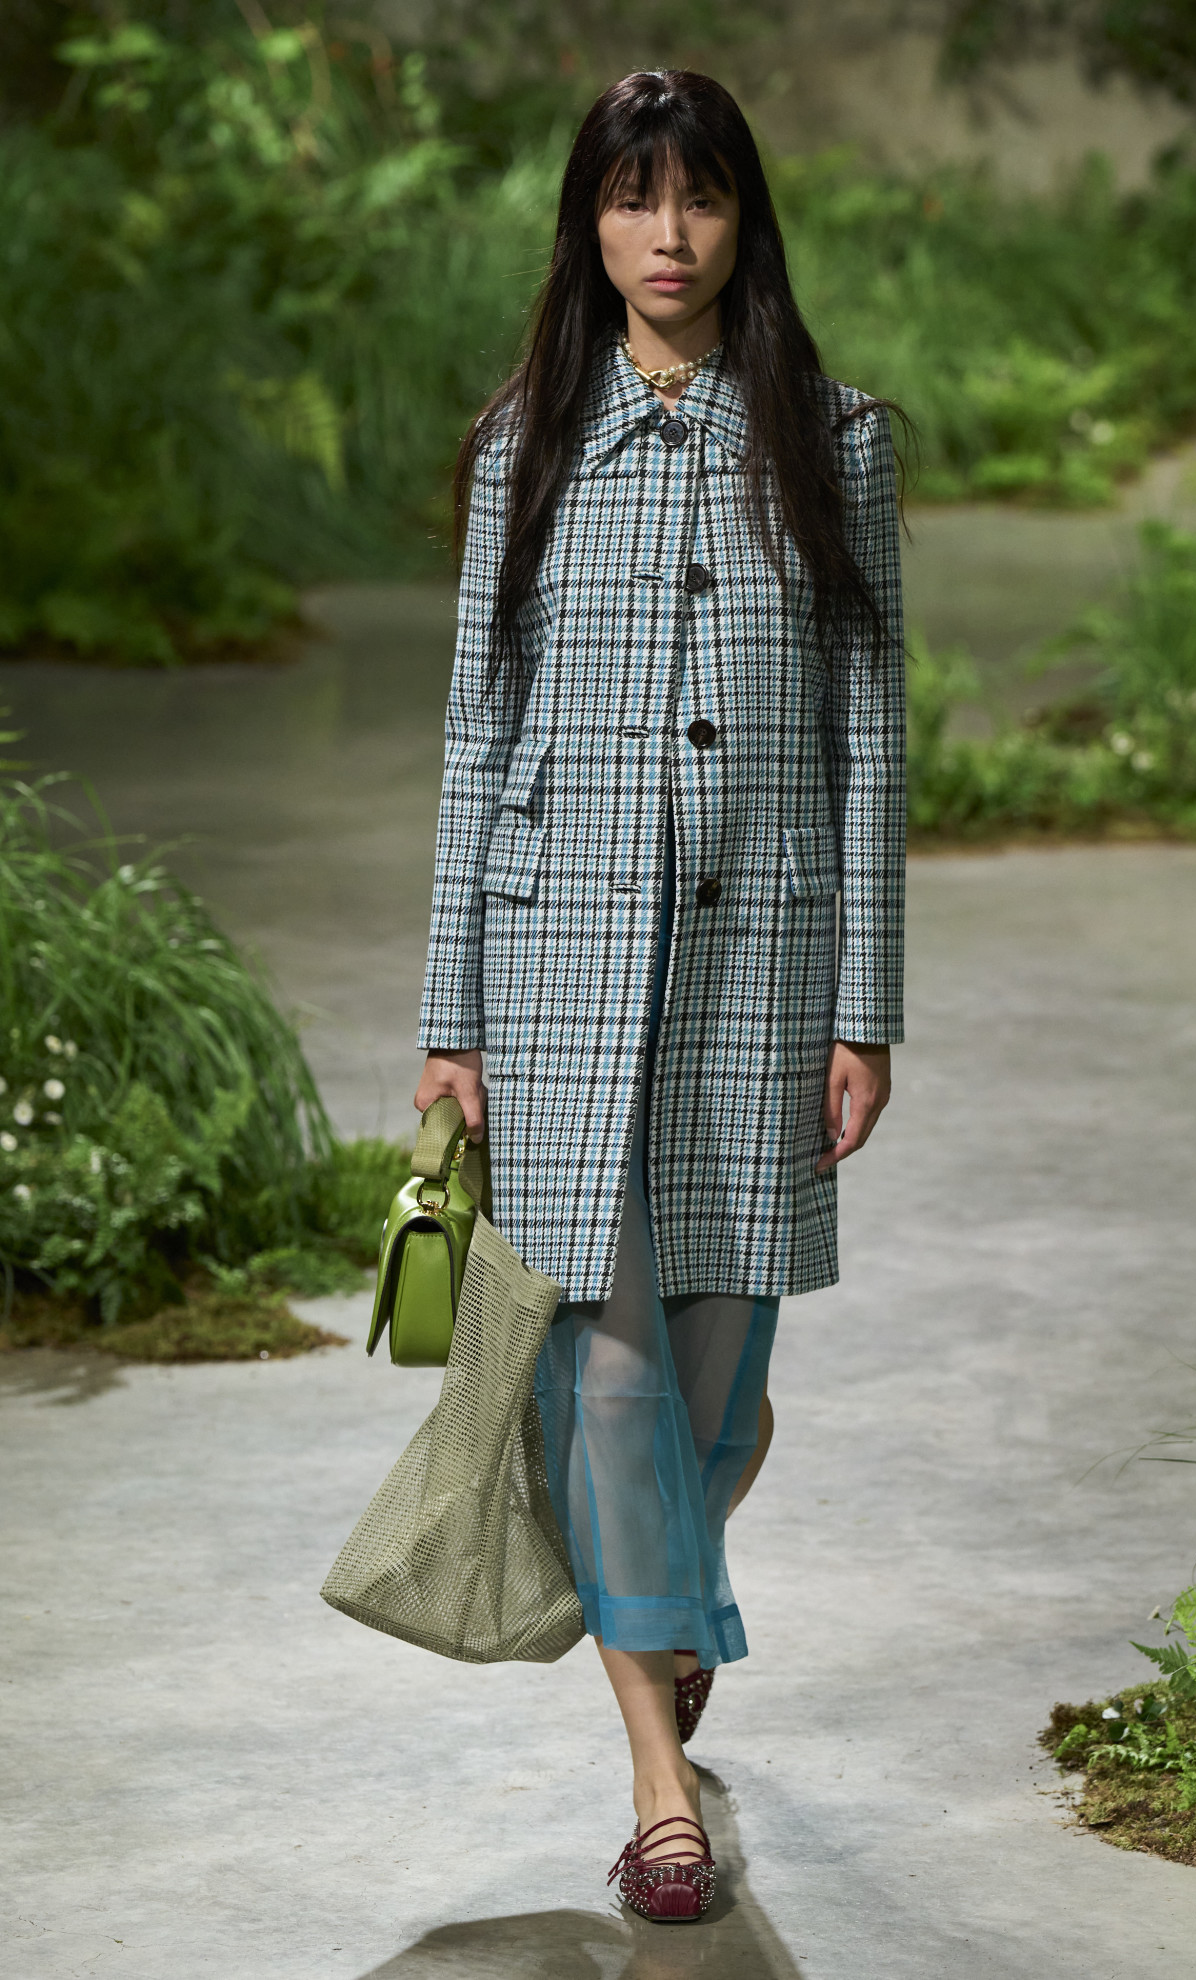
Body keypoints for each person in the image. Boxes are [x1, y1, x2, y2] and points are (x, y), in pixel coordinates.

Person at [413, 68, 905, 1924]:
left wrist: (867, 1004)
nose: (669, 236)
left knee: (719, 1399)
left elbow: (871, 737)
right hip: (555, 960)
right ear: (591, 223)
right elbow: (477, 735)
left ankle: (662, 1602)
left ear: (742, 218)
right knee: (606, 1373)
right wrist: (452, 1012)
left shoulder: (836, 441)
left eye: (699, 198)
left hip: (758, 969)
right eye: (634, 199)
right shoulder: (526, 438)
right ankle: (657, 1785)